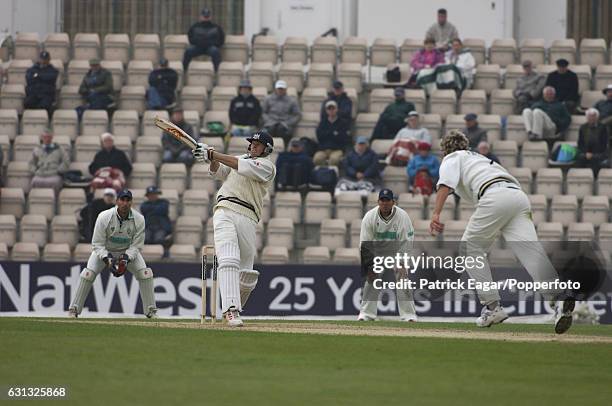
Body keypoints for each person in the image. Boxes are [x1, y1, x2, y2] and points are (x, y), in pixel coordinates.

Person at [429, 130, 575, 334]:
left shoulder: (452, 157)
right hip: (518, 197)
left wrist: (436, 213)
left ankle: (493, 307)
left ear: (445, 150)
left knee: (469, 248)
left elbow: (444, 185)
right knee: (531, 254)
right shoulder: (480, 159)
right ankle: (558, 299)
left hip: (494, 195)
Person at [192, 131, 276, 326]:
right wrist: (209, 159)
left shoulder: (267, 167)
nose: (253, 146)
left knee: (247, 275)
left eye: (258, 144)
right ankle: (230, 310)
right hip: (225, 209)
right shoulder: (238, 159)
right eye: (252, 143)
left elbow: (239, 166)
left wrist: (213, 154)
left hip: (248, 216)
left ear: (267, 149)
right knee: (228, 258)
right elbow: (218, 172)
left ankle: (235, 307)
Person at [68, 189, 157, 319]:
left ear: (131, 202)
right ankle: (73, 309)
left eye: (128, 200)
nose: (125, 203)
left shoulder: (139, 219)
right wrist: (107, 258)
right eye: (122, 200)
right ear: (117, 201)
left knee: (145, 274)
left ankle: (151, 311)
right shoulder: (104, 217)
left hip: (127, 251)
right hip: (105, 250)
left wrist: (126, 257)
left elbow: (137, 245)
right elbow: (97, 244)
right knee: (87, 274)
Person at [358, 188, 417, 322]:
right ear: (378, 202)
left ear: (393, 202)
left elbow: (407, 242)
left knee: (403, 279)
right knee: (371, 279)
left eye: (388, 201)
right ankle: (366, 314)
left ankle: (409, 315)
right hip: (377, 252)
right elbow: (365, 244)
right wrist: (369, 266)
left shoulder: (402, 216)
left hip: (396, 252)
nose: (385, 203)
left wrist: (402, 263)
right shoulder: (370, 217)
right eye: (382, 200)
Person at [28, 129, 70, 194]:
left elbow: (66, 161)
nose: (47, 139)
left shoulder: (59, 149)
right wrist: (35, 170)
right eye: (45, 137)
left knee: (55, 182)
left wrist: (59, 170)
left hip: (54, 174)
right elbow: (31, 163)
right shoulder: (37, 149)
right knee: (34, 181)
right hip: (40, 174)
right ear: (42, 138)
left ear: (52, 137)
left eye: (48, 137)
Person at [262, 80, 301, 147]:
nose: (280, 90)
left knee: (283, 131)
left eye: (282, 89)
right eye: (279, 89)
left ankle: (283, 149)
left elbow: (297, 115)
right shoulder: (268, 99)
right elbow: (263, 112)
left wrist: (287, 123)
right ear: (275, 89)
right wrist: (268, 121)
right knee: (268, 132)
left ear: (285, 89)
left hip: (285, 124)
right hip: (271, 123)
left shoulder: (292, 101)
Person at [313, 100, 351, 166]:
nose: (331, 110)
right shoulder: (322, 122)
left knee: (334, 160)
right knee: (317, 159)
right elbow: (319, 136)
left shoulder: (343, 123)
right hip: (323, 149)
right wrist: (333, 133)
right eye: (329, 109)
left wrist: (327, 134)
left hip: (337, 149)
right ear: (326, 111)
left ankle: (331, 175)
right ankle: (323, 173)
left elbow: (344, 138)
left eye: (333, 108)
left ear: (337, 109)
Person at [576, 108, 609, 176]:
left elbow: (604, 144)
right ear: (587, 117)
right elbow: (580, 143)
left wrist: (593, 154)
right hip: (586, 152)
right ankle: (581, 178)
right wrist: (586, 153)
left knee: (595, 159)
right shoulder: (583, 127)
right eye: (590, 116)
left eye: (593, 116)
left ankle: (595, 179)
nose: (592, 118)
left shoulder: (603, 127)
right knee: (580, 158)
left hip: (599, 152)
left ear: (597, 117)